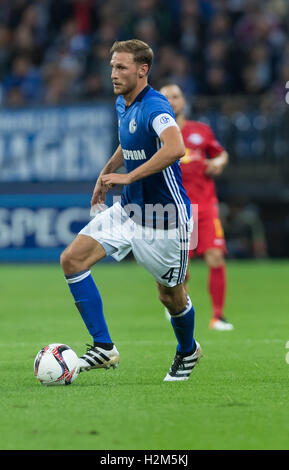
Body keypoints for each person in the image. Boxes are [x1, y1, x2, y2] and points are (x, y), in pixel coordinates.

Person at [60, 39, 202, 382]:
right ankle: (104, 347)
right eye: (112, 66)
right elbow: (129, 141)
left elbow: (175, 147)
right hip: (130, 210)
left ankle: (188, 350)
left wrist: (127, 176)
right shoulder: (123, 104)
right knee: (72, 259)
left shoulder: (156, 106)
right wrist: (104, 174)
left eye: (121, 67)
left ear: (142, 70)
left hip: (165, 216)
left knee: (171, 296)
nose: (113, 74)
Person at [160, 83, 233, 331]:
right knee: (181, 268)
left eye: (176, 96)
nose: (172, 100)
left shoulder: (201, 131)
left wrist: (219, 163)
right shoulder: (156, 135)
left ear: (183, 101)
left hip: (206, 207)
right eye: (166, 97)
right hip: (177, 210)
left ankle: (218, 316)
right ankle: (178, 307)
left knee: (215, 257)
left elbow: (221, 154)